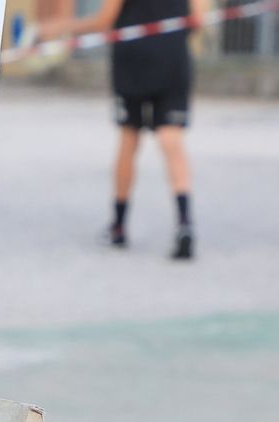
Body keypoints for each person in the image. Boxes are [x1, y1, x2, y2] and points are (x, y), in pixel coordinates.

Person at [42, 0, 208, 259]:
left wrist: (63, 26)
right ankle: (185, 223)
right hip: (173, 59)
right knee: (171, 139)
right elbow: (198, 19)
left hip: (133, 60)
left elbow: (104, 21)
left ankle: (118, 226)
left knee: (129, 139)